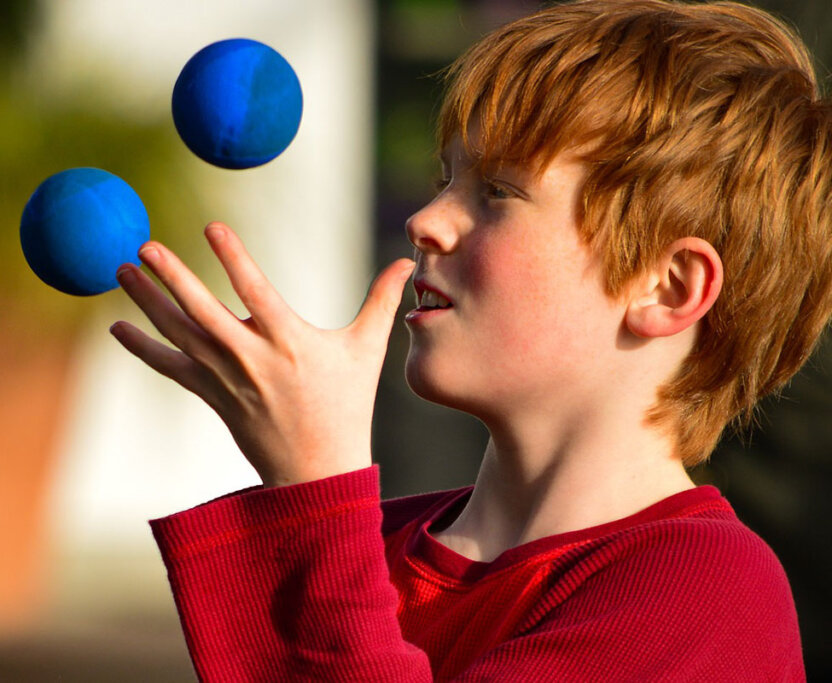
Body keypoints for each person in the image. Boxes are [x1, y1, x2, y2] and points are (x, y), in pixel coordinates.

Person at [109, 0, 829, 679]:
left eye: (499, 193)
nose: (427, 219)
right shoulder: (375, 550)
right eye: (445, 178)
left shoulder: (707, 589)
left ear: (667, 287)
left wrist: (315, 487)